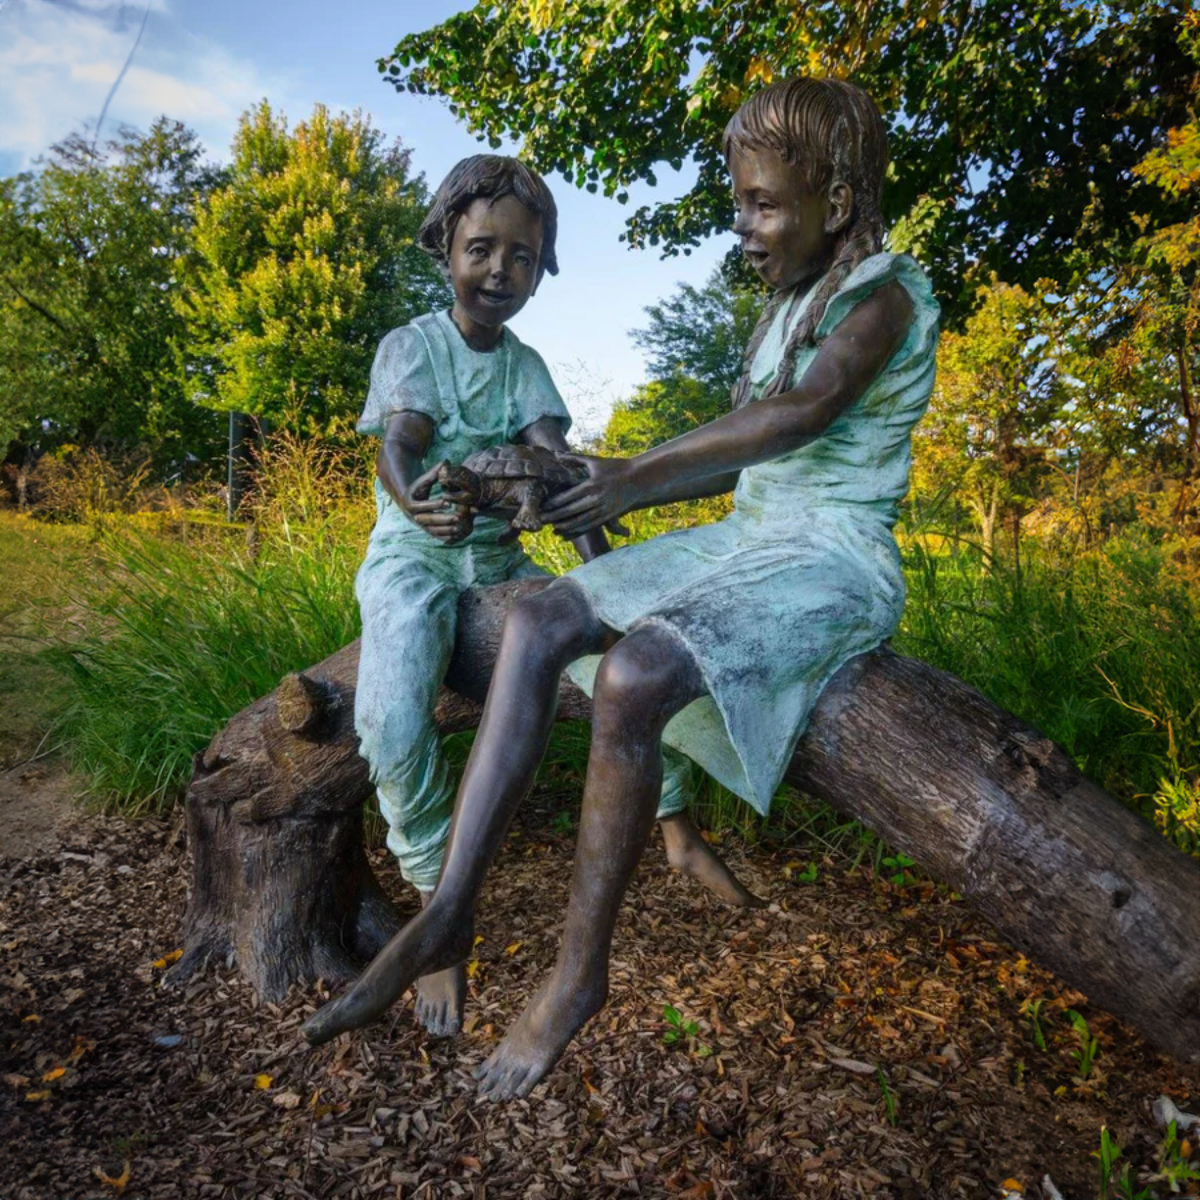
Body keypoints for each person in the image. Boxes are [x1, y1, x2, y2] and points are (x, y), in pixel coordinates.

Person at [307, 79, 939, 1100]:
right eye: (739, 204)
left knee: (637, 672)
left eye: (765, 206)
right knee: (549, 612)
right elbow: (738, 465)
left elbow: (803, 418)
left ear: (840, 196)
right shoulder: (785, 308)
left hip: (831, 559)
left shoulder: (886, 293)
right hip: (749, 537)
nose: (744, 227)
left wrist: (631, 477)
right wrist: (586, 482)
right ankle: (452, 901)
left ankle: (576, 972)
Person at [350, 154, 753, 1041]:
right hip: (412, 557)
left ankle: (677, 825)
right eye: (481, 249)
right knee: (388, 715)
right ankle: (436, 905)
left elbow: (558, 469)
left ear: (544, 267)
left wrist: (606, 572)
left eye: (523, 257)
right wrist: (415, 497)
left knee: (628, 663)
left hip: (499, 567)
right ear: (444, 247)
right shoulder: (411, 346)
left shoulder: (528, 366)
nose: (501, 271)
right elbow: (402, 442)